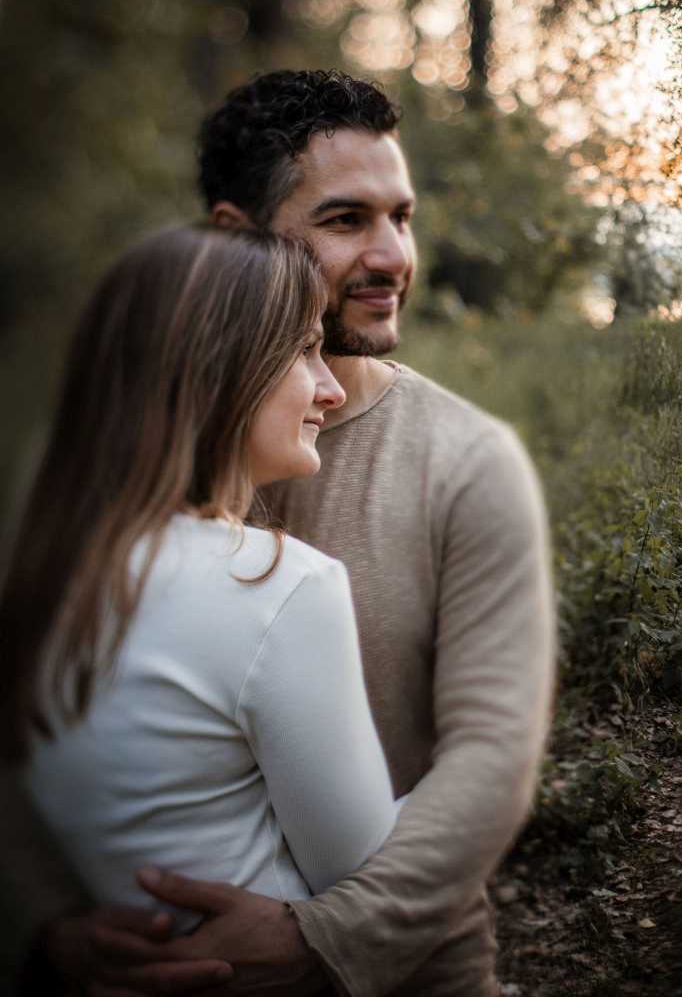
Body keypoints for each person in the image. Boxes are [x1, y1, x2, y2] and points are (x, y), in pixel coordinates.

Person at [5, 70, 556, 997]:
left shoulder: (469, 462)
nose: (392, 256)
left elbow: (494, 755)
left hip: (412, 972)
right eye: (346, 220)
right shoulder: (81, 471)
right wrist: (53, 923)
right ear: (232, 238)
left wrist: (323, 938)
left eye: (402, 216)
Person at [0, 225, 403, 989]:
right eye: (303, 350)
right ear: (216, 371)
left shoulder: (45, 575)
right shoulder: (279, 585)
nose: (332, 388)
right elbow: (369, 890)